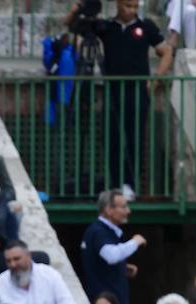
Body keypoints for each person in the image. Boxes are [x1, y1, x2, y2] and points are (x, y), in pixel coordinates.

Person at [71, 0, 172, 193]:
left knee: (134, 138)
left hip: (137, 91)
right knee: (111, 138)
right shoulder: (107, 27)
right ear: (118, 5)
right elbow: (73, 26)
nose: (131, 11)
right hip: (113, 91)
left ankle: (130, 184)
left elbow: (167, 51)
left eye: (135, 7)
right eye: (127, 6)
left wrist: (156, 79)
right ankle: (116, 183)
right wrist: (78, 7)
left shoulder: (146, 26)